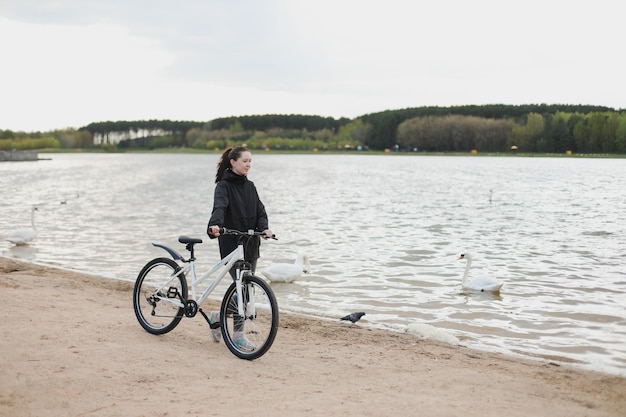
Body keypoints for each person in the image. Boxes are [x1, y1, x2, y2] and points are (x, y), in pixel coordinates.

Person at [206, 146, 272, 351]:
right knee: (241, 287)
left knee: (246, 289)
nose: (248, 164)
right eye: (245, 161)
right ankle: (237, 335)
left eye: (250, 161)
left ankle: (218, 316)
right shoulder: (223, 187)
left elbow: (260, 211)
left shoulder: (250, 186)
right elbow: (219, 207)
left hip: (251, 244)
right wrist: (215, 225)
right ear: (233, 162)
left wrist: (265, 229)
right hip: (232, 244)